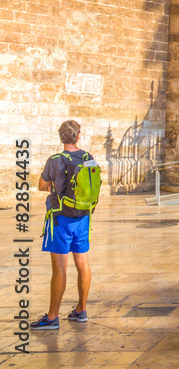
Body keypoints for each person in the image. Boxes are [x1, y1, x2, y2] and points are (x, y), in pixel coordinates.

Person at [31, 120, 98, 330]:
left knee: (60, 268)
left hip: (60, 219)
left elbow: (42, 185)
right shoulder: (89, 159)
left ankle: (52, 317)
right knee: (83, 263)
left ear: (61, 137)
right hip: (83, 218)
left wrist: (53, 184)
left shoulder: (55, 160)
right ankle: (81, 310)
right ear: (79, 136)